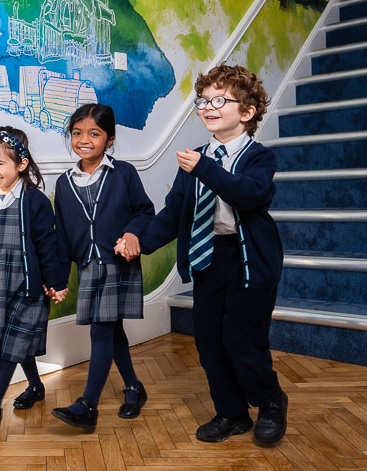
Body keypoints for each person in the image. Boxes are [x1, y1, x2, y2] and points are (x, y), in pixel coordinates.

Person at [116, 64, 288, 445]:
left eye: (219, 100)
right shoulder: (196, 159)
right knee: (209, 343)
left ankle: (271, 402)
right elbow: (174, 213)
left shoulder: (260, 158)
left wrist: (205, 168)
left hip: (250, 262)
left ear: (246, 112)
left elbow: (249, 194)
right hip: (209, 258)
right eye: (203, 100)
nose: (208, 107)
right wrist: (140, 243)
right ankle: (231, 412)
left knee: (243, 342)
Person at [49, 104, 156, 432]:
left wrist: (131, 232)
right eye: (77, 133)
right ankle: (135, 387)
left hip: (117, 263)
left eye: (94, 133)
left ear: (109, 140)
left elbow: (145, 211)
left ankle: (87, 405)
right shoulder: (64, 184)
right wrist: (58, 278)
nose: (84, 139)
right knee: (112, 331)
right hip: (88, 268)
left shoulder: (124, 173)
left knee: (100, 330)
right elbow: (62, 236)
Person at [0, 126, 69, 427]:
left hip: (27, 283)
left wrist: (56, 282)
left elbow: (48, 244)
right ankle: (35, 385)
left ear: (21, 164)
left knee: (12, 342)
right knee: (15, 340)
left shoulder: (34, 200)